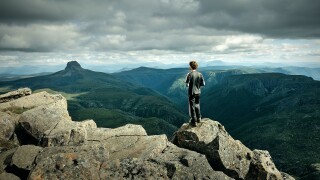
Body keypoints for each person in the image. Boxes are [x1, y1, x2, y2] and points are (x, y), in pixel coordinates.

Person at [185, 60, 205, 127]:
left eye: (189, 66)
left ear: (191, 66)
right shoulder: (200, 74)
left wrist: (189, 84)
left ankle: (194, 121)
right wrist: (197, 85)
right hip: (198, 92)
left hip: (192, 92)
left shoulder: (189, 74)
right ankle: (199, 118)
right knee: (197, 105)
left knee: (192, 106)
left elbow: (187, 84)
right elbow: (203, 84)